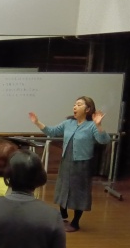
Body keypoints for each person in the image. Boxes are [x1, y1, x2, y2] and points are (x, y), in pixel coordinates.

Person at [29, 96, 110, 232]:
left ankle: (75, 222)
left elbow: (104, 140)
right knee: (63, 187)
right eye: (74, 104)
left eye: (79, 104)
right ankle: (63, 215)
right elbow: (52, 131)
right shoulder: (68, 123)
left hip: (82, 164)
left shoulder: (92, 126)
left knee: (79, 192)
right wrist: (37, 122)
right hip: (66, 161)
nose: (75, 107)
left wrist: (99, 125)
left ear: (88, 109)